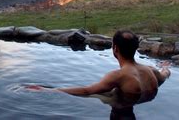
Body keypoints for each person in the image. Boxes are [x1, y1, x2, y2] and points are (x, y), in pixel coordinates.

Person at [27, 30, 171, 105]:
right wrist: (164, 67)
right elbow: (164, 75)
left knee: (97, 95)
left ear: (115, 49)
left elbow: (86, 90)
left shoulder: (118, 76)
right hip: (142, 100)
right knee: (107, 92)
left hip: (122, 110)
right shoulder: (151, 70)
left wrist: (48, 90)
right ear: (135, 48)